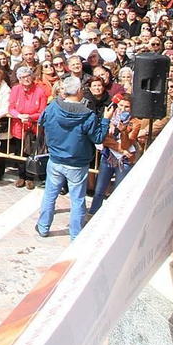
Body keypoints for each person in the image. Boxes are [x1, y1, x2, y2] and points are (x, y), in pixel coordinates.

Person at [35, 76, 107, 239]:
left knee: (50, 195)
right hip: (77, 163)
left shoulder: (52, 107)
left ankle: (43, 226)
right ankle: (75, 235)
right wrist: (106, 120)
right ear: (79, 91)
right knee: (77, 199)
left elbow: (41, 123)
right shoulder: (88, 115)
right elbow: (98, 138)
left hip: (56, 159)